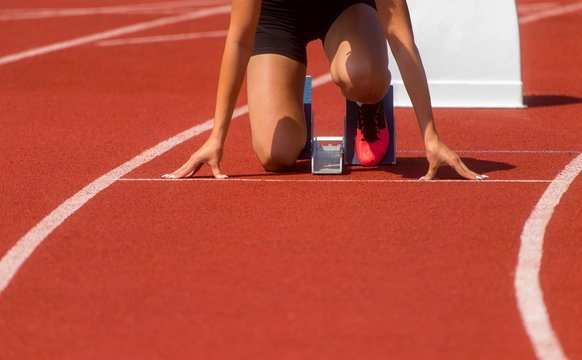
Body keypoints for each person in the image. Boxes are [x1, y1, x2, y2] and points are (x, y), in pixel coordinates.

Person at [163, 0, 486, 180]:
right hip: (278, 17)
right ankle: (292, 102)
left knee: (361, 75)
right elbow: (238, 39)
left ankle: (369, 104)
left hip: (347, 9)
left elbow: (401, 40)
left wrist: (431, 136)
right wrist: (216, 138)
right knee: (275, 157)